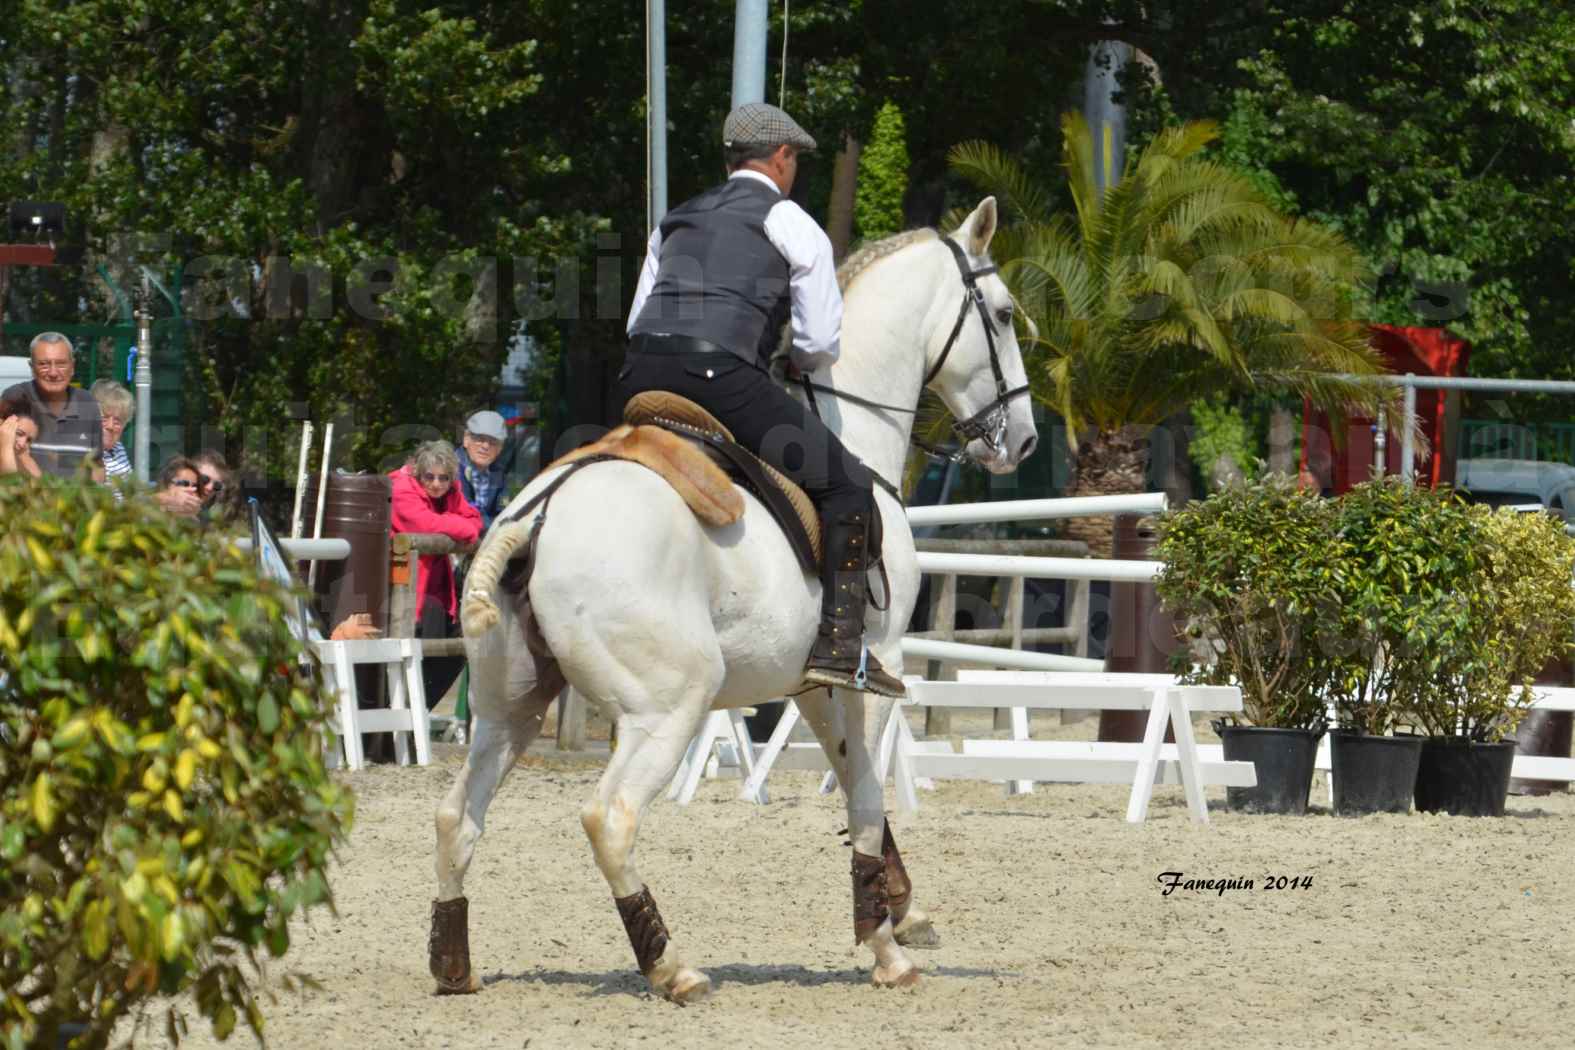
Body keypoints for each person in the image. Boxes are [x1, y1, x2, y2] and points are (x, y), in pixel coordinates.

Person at [616, 101, 903, 698]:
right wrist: (798, 359)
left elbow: (637, 318)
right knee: (847, 485)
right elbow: (821, 339)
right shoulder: (791, 222)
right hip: (719, 376)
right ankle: (842, 645)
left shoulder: (675, 219)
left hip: (640, 373)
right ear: (782, 156)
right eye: (795, 159)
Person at [390, 440, 482, 703]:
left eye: (443, 478)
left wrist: (454, 526)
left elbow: (474, 519)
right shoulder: (401, 488)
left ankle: (417, 715)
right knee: (411, 659)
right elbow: (424, 524)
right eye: (429, 477)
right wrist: (458, 527)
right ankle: (405, 718)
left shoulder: (451, 490)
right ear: (418, 472)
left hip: (437, 593)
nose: (436, 484)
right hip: (402, 594)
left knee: (455, 653)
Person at [1, 332, 101, 478]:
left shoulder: (88, 404)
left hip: (77, 499)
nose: (53, 373)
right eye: (44, 364)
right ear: (31, 367)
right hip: (27, 499)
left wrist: (95, 498)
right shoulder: (14, 399)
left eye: (61, 364)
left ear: (72, 366)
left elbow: (97, 466)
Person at [457, 410, 507, 531]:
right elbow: (464, 511)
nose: (485, 446)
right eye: (479, 439)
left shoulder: (498, 473)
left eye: (493, 442)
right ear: (466, 440)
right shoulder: (450, 468)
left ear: (500, 449)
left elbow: (504, 511)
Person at [90, 379, 134, 491]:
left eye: (117, 421)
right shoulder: (84, 451)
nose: (110, 426)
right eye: (104, 418)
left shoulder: (118, 448)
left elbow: (131, 493)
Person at [190, 449, 241, 528]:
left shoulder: (206, 519)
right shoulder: (170, 508)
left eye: (217, 485)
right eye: (205, 479)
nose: (210, 488)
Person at [0, 395, 42, 477]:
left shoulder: (22, 458)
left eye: (28, 440)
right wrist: (6, 446)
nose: (22, 444)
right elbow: (10, 484)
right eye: (19, 433)